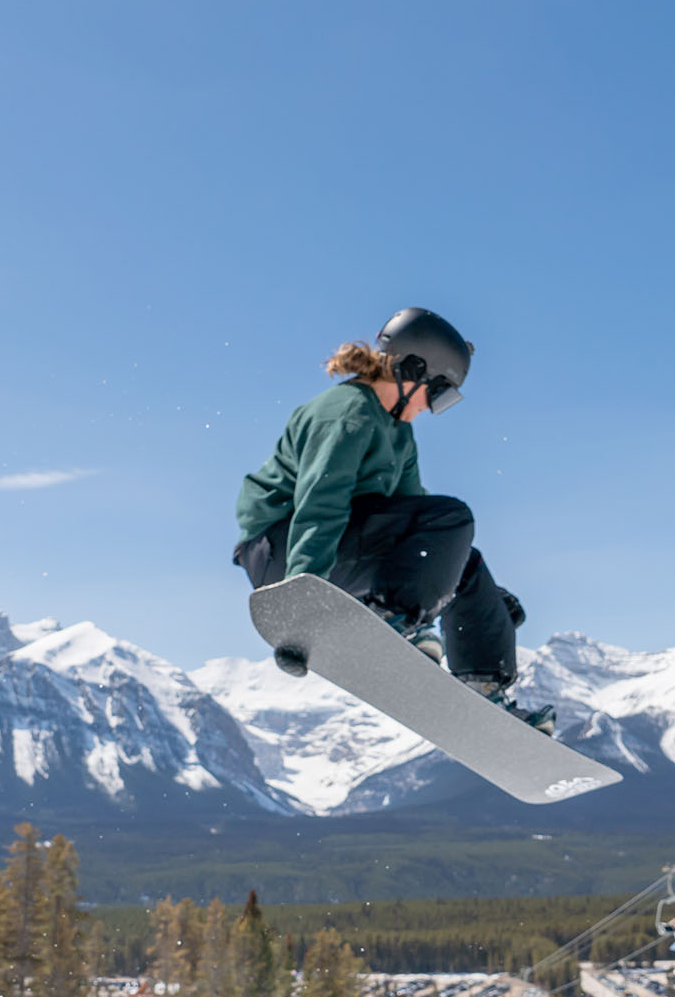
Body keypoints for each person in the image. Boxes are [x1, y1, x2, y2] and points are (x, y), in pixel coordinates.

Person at [233, 307, 554, 733]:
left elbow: (423, 529)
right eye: (438, 395)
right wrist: (299, 607)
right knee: (453, 517)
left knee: (464, 554)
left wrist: (486, 600)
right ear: (413, 370)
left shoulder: (398, 432)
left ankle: (483, 685)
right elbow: (320, 506)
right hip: (282, 551)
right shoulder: (346, 413)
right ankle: (390, 619)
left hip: (340, 547)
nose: (432, 409)